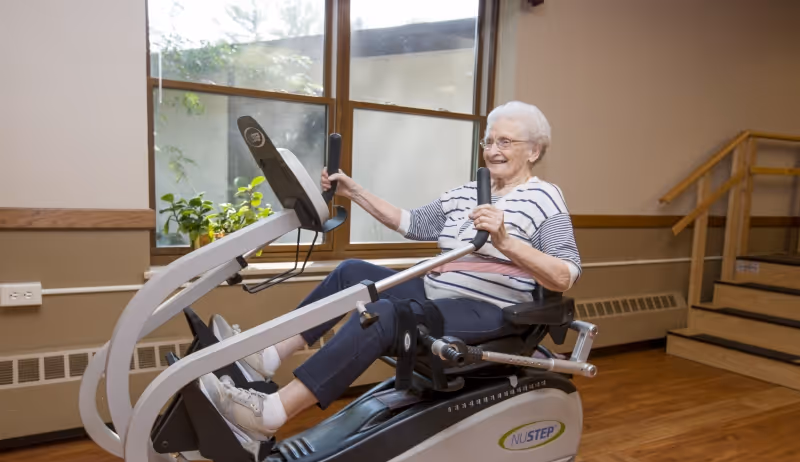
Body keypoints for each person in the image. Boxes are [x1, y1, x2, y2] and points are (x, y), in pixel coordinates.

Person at [200, 101, 582, 441]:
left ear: (534, 151)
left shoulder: (544, 197)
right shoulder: (469, 191)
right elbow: (413, 223)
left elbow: (565, 273)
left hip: (488, 309)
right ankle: (269, 355)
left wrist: (507, 242)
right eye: (489, 141)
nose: (493, 150)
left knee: (386, 313)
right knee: (351, 273)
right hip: (437, 294)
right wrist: (355, 192)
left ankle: (271, 413)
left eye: (506, 142)